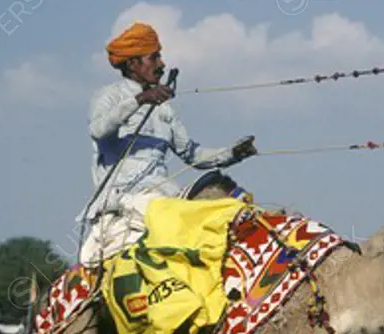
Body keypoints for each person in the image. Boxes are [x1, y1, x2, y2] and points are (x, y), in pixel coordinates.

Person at [79, 22, 257, 267]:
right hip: (125, 201)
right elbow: (98, 130)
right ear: (132, 64)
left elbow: (192, 155)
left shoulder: (163, 109)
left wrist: (234, 153)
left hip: (164, 196)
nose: (161, 64)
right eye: (154, 58)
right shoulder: (109, 96)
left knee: (230, 204)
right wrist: (140, 99)